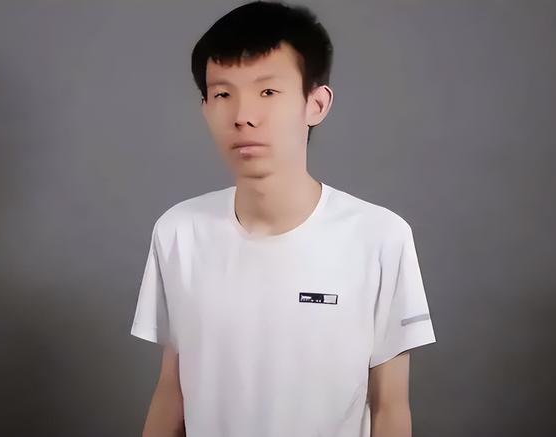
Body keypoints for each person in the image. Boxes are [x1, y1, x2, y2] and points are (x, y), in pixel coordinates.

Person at [130, 2, 437, 436]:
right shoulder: (178, 232)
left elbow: (390, 409)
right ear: (205, 108)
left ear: (316, 104)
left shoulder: (380, 238)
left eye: (268, 92)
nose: (243, 115)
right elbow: (172, 393)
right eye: (223, 94)